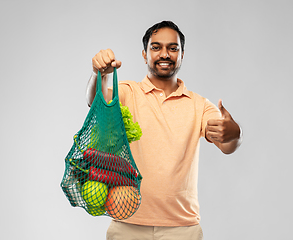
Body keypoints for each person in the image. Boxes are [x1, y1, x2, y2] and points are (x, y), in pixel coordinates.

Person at [86, 20, 242, 240]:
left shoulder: (200, 105)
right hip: (127, 223)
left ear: (182, 54)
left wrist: (235, 133)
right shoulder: (128, 92)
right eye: (156, 47)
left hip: (182, 228)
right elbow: (95, 102)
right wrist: (99, 74)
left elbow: (227, 146)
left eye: (173, 48)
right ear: (144, 54)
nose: (165, 54)